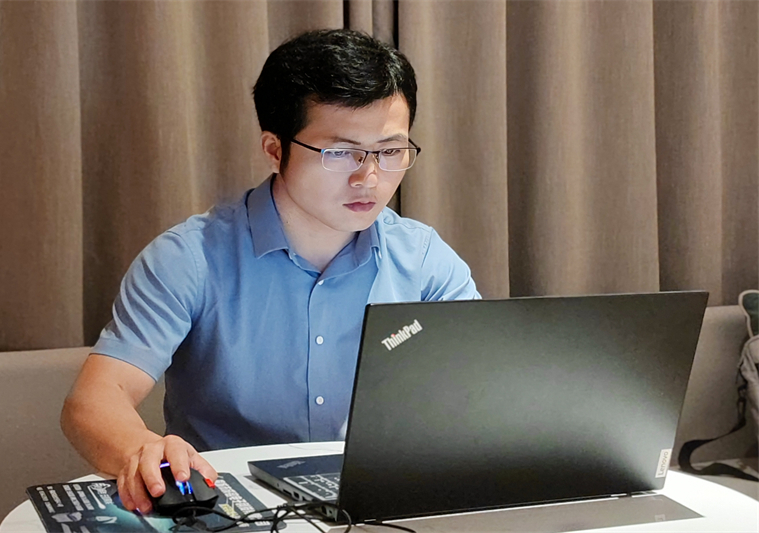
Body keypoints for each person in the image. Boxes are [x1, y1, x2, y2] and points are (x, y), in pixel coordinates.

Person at [61, 28, 479, 515]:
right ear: (275, 149)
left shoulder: (423, 260)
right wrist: (142, 450)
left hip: (377, 507)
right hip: (231, 512)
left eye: (389, 151)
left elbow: (481, 386)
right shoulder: (189, 258)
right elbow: (95, 399)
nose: (368, 177)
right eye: (340, 152)